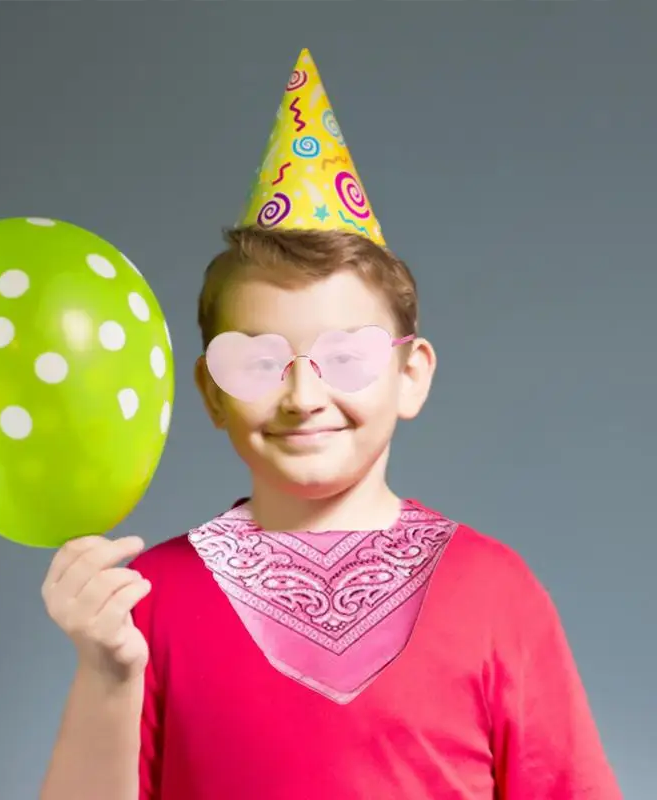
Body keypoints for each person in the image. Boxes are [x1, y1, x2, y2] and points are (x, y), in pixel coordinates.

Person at [39, 50, 621, 800]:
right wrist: (105, 672)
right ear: (211, 392)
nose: (302, 396)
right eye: (257, 361)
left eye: (345, 357)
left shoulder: (495, 591)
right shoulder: (146, 600)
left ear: (411, 375)